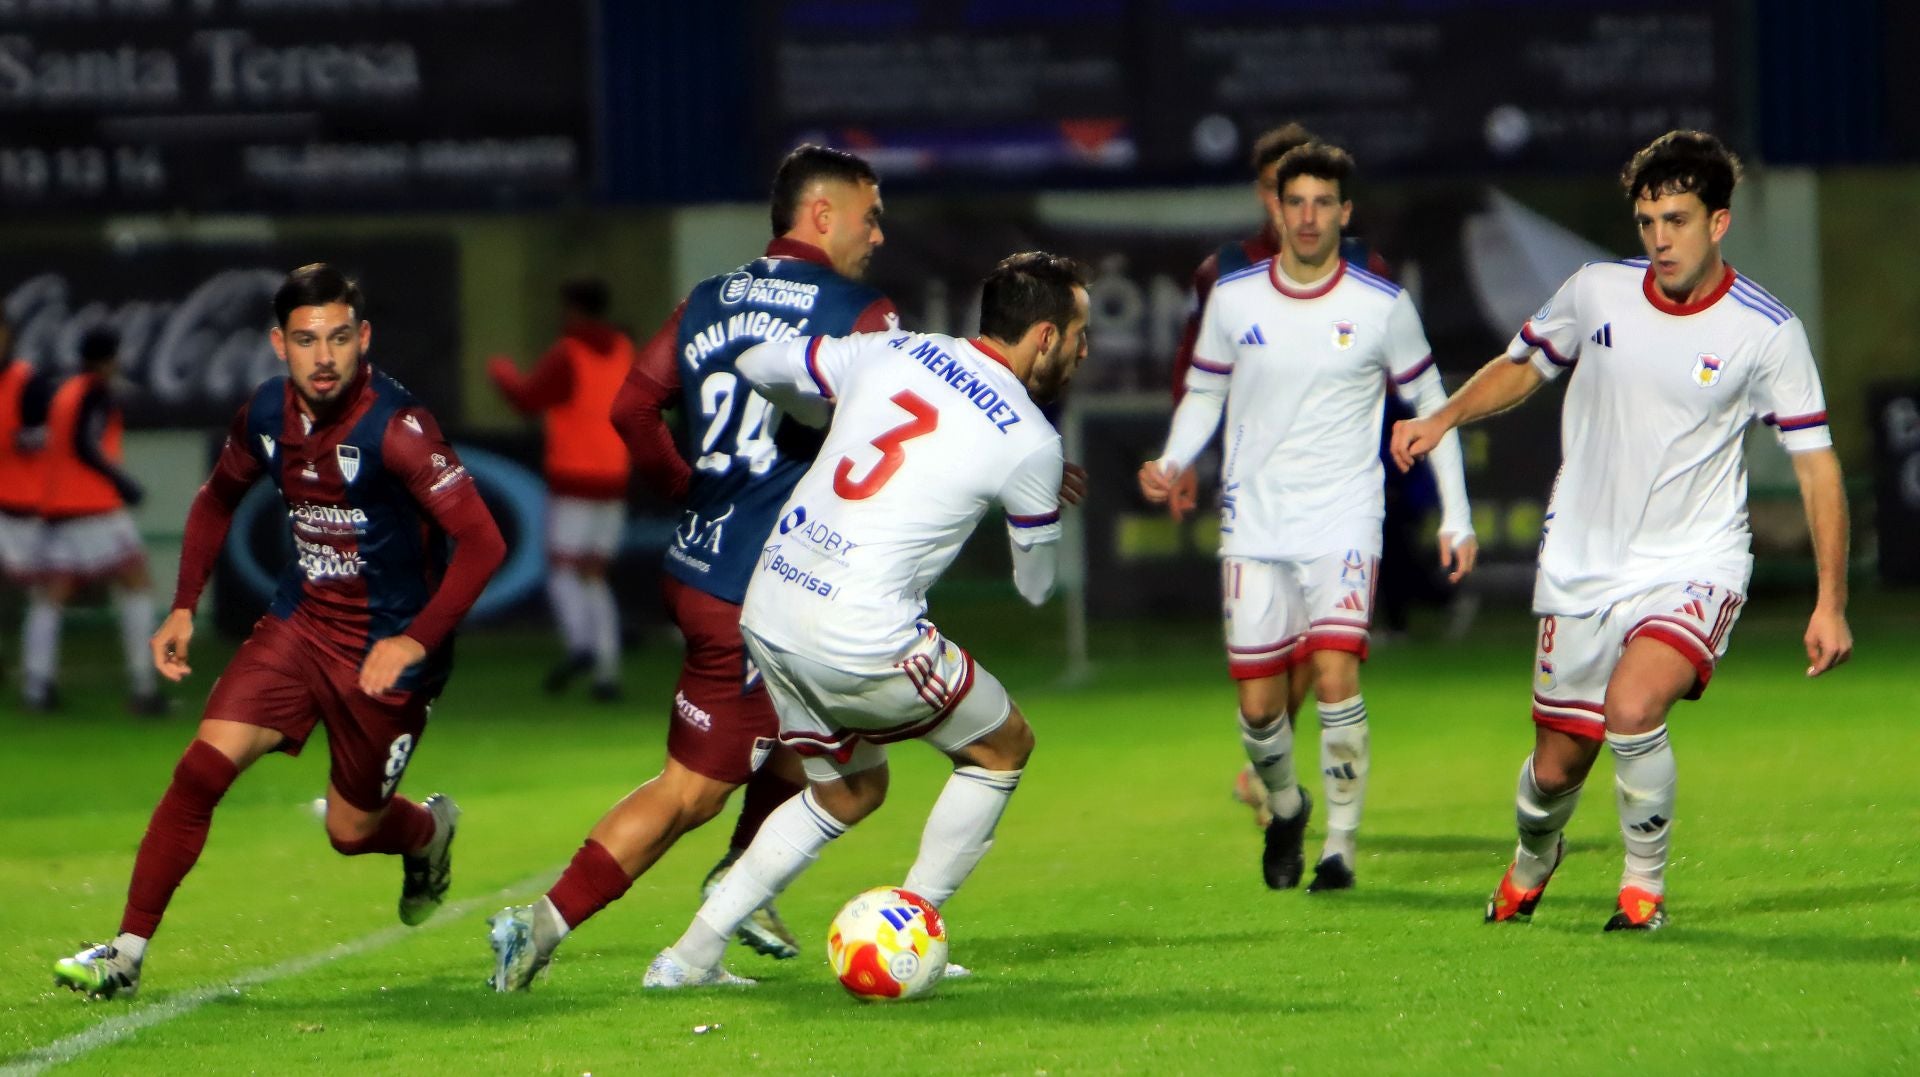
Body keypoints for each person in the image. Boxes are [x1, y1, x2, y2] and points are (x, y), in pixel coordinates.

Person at [1392, 130, 1852, 931]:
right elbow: (1522, 364)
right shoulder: (1596, 291)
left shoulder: (1766, 332)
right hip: (1582, 562)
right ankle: (1537, 854)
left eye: (1676, 219)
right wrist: (1445, 416)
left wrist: (1830, 601)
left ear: (1719, 223)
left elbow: (1817, 467)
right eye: (1647, 221)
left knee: (1634, 708)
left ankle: (1642, 891)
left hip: (1696, 561)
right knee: (1553, 770)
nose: (1660, 238)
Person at [486, 145, 899, 990]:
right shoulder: (858, 311)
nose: (879, 233)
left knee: (815, 736)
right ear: (820, 214)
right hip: (769, 587)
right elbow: (886, 439)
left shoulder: (710, 297)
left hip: (706, 567)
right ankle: (644, 918)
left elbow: (631, 406)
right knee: (752, 783)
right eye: (870, 213)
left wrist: (688, 485)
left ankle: (728, 884)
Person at [52, 264, 506, 998]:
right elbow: (213, 499)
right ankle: (125, 953)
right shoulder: (265, 413)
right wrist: (180, 606)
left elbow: (484, 542)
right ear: (278, 344)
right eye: (305, 339)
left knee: (351, 830)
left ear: (363, 338)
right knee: (200, 770)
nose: (322, 356)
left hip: (388, 650)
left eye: (336, 337)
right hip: (301, 622)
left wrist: (415, 640)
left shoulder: (399, 430)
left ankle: (426, 831)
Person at [640, 250, 1088, 989]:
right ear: (1043, 337)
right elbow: (1036, 588)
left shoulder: (893, 348)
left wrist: (833, 415)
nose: (1081, 351)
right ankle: (911, 927)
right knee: (1003, 746)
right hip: (860, 630)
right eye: (1078, 335)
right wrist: (1033, 512)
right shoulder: (1033, 441)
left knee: (848, 789)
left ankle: (686, 957)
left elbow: (757, 362)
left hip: (771, 604)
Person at [1139, 142, 1477, 893]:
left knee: (1335, 677)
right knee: (1259, 709)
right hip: (1254, 523)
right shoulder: (1235, 299)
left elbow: (1433, 407)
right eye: (1297, 202)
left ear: (1344, 214)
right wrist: (1173, 458)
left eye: (1325, 203)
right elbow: (1203, 392)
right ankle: (1288, 807)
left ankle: (1340, 848)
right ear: (1277, 210)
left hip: (1344, 517)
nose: (1310, 216)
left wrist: (1456, 516)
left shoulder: (1380, 304)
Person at [488, 278, 636, 701]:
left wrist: (501, 373)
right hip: (614, 477)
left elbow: (526, 399)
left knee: (563, 571)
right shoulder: (624, 350)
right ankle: (608, 669)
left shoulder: (568, 354)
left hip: (575, 478)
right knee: (594, 574)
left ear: (572, 309)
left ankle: (581, 646)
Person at [22, 328, 166, 715]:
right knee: (137, 583)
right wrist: (124, 483)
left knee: (51, 595)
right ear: (109, 359)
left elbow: (45, 440)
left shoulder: (66, 392)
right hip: (93, 506)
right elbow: (86, 444)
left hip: (58, 507)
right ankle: (144, 687)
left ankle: (37, 687)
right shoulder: (97, 392)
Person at [0, 313, 48, 682]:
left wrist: (19, 438)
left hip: (21, 503)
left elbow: (44, 436)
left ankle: (37, 678)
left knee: (40, 594)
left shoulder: (28, 381)